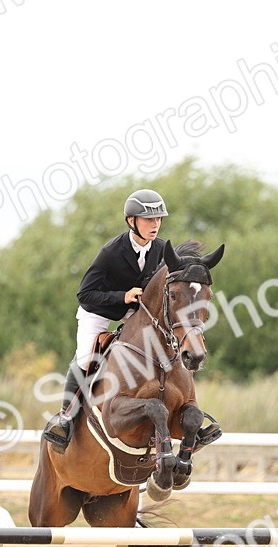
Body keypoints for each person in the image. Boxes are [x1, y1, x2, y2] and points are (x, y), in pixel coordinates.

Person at [41, 189, 170, 452]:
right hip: (98, 311)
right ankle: (65, 417)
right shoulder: (112, 251)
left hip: (135, 313)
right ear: (131, 221)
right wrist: (122, 297)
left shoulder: (161, 249)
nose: (155, 225)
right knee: (86, 358)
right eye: (148, 219)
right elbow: (85, 294)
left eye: (158, 219)